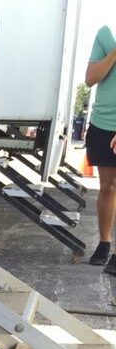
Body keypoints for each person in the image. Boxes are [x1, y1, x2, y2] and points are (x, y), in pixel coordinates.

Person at [85, 25, 116, 274]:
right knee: (108, 186)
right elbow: (90, 78)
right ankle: (105, 243)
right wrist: (114, 53)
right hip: (103, 123)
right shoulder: (106, 33)